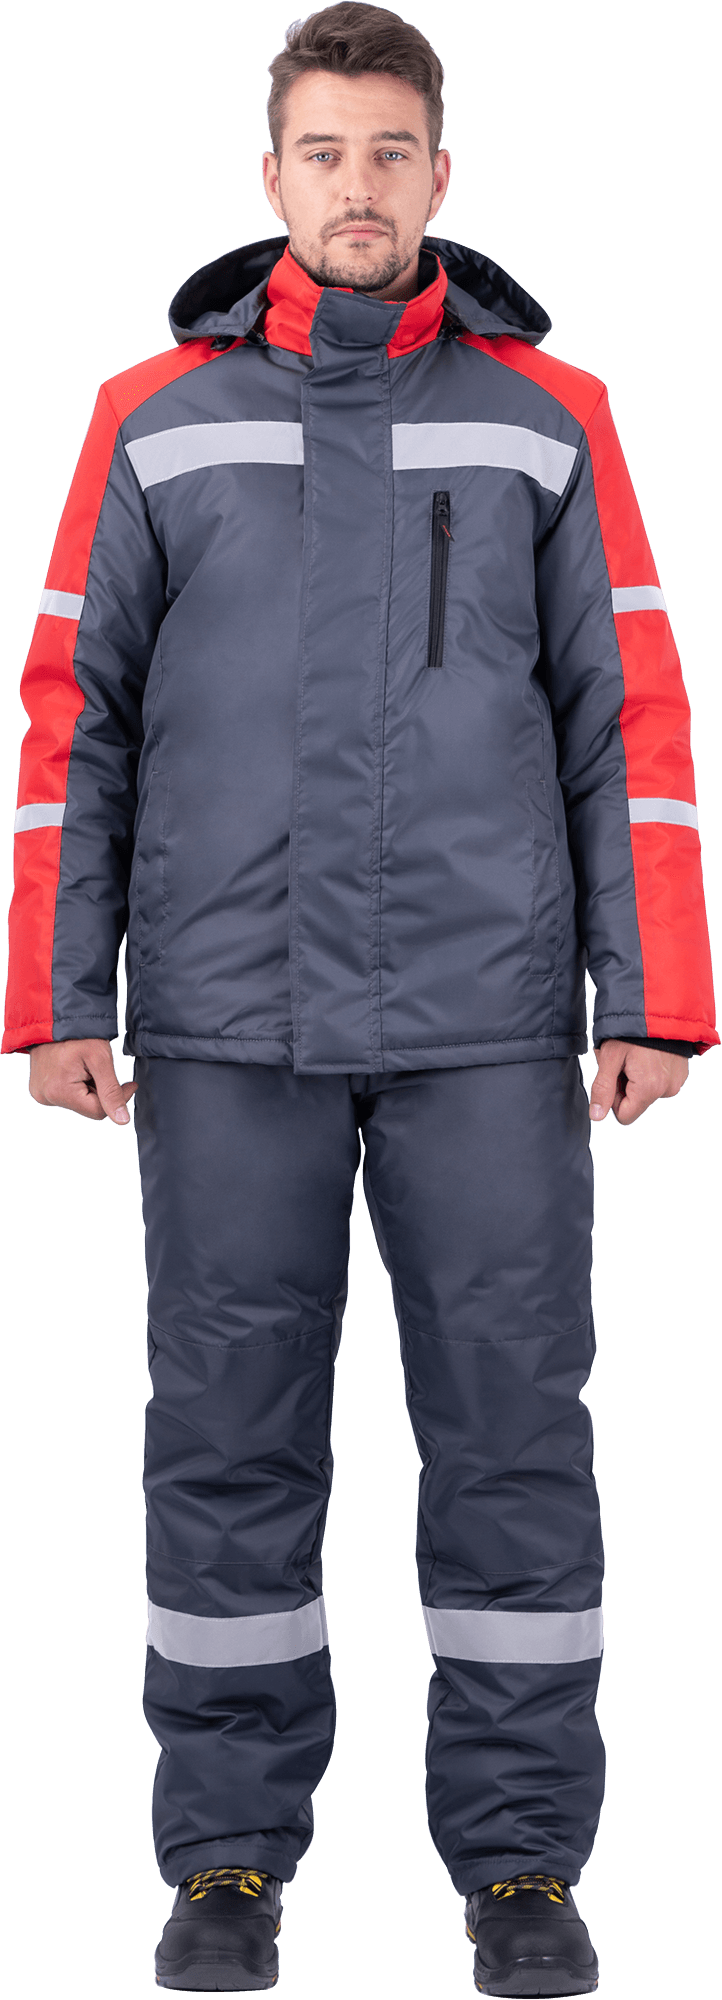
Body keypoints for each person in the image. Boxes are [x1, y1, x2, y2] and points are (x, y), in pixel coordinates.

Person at [4, 6, 717, 1993]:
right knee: (225, 1431)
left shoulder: (549, 416)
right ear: (270, 179)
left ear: (440, 177)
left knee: (511, 1428)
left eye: (391, 151)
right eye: (322, 151)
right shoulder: (147, 417)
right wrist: (56, 994)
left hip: (493, 1018)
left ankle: (523, 1864)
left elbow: (628, 719)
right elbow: (74, 722)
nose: (357, 186)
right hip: (221, 1016)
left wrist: (650, 994)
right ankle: (228, 1857)